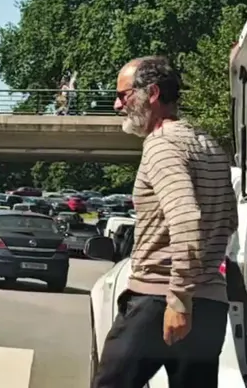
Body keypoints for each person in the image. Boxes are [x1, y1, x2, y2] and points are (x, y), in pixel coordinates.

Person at [92, 56, 238, 388]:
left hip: (160, 301)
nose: (118, 105)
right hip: (209, 307)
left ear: (153, 93)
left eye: (124, 95)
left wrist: (179, 299)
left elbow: (185, 218)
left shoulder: (161, 144)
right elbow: (228, 220)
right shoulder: (210, 146)